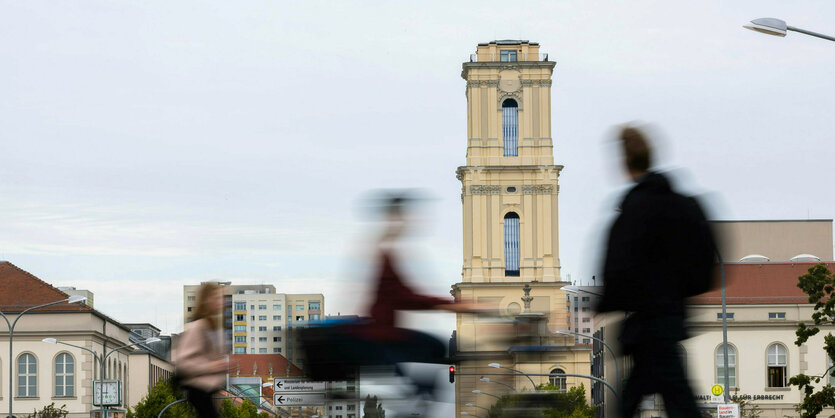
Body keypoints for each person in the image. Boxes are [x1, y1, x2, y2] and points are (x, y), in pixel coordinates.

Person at [597, 126, 717, 418]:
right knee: (667, 399)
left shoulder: (634, 207)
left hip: (648, 326)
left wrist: (601, 305)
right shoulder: (682, 204)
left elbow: (619, 265)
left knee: (664, 401)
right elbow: (706, 257)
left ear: (625, 162)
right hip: (671, 319)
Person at [174, 282, 228, 418]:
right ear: (206, 300)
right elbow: (183, 362)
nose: (221, 302)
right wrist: (212, 366)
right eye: (216, 298)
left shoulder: (214, 327)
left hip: (208, 390)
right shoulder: (197, 327)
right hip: (198, 389)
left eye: (222, 298)